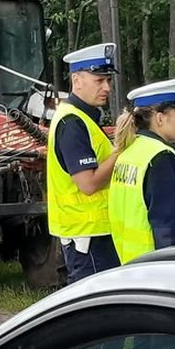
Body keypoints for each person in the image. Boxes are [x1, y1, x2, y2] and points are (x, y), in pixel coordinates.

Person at [47, 43, 122, 283]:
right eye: (99, 80)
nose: (107, 87)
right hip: (88, 239)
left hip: (94, 235)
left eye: (108, 80)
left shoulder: (83, 118)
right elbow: (88, 184)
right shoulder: (72, 124)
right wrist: (120, 151)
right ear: (76, 80)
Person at [108, 78, 175, 263]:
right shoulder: (160, 157)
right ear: (160, 118)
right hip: (161, 271)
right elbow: (168, 232)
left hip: (132, 266)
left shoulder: (128, 152)